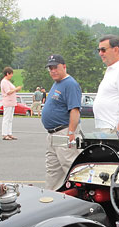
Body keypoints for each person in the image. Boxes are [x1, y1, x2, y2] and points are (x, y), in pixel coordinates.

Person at [40, 54, 82, 190]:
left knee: (71, 167)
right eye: (50, 68)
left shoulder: (70, 84)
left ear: (64, 67)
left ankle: (82, 196)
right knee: (53, 171)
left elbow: (74, 110)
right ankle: (52, 198)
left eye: (55, 67)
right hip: (52, 134)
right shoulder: (57, 83)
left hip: (64, 131)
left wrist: (71, 133)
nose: (53, 71)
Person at [93, 34, 119, 134]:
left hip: (113, 129)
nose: (100, 53)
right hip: (106, 127)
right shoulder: (111, 70)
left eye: (103, 50)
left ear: (115, 49)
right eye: (98, 50)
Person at [0, 66, 22, 140]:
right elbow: (8, 92)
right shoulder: (4, 82)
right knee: (6, 118)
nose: (12, 75)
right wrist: (16, 89)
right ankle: (4, 134)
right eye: (11, 74)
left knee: (10, 119)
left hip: (12, 102)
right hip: (7, 102)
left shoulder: (8, 82)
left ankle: (9, 133)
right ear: (7, 74)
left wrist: (16, 90)